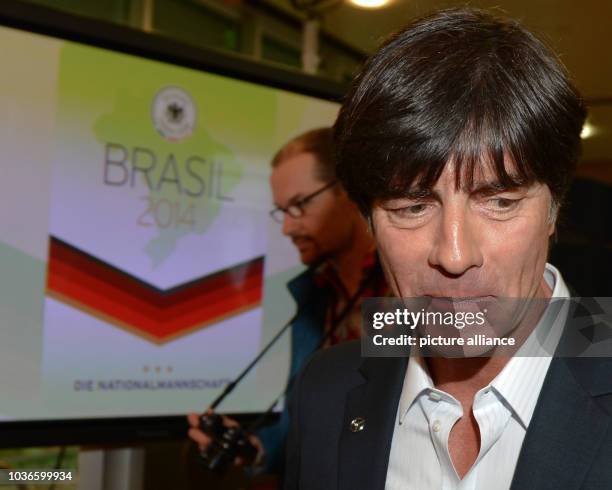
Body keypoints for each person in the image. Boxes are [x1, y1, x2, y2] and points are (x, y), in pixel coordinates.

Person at [284, 8, 612, 490]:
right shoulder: (326, 388)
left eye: (499, 201)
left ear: (554, 207)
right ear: (368, 219)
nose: (454, 255)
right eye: (412, 207)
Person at [187, 128, 387, 476]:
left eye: (300, 204)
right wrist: (256, 451)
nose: (287, 228)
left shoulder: (408, 290)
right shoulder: (315, 294)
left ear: (349, 192)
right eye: (282, 211)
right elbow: (309, 421)